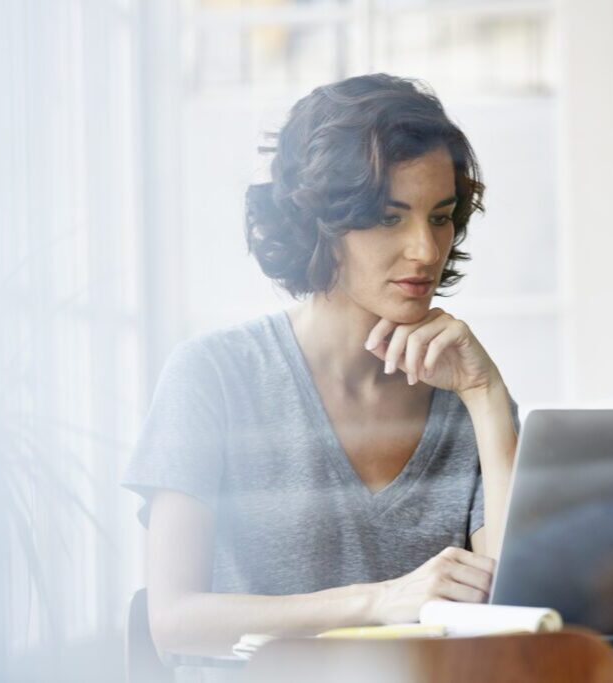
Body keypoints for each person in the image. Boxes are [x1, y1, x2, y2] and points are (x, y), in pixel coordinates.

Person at [122, 73, 520, 659]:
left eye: (440, 216)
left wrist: (487, 397)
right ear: (320, 223)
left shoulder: (468, 392)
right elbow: (174, 619)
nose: (427, 250)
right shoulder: (213, 376)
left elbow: (515, 613)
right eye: (390, 218)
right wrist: (380, 601)